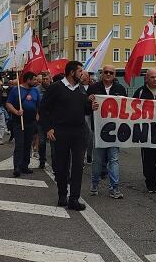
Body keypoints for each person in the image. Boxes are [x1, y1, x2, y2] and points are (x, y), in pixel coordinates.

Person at [41, 61, 97, 211]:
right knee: (61, 165)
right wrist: (48, 128)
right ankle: (62, 195)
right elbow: (43, 108)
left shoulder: (80, 89)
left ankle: (74, 199)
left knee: (78, 165)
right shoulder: (56, 88)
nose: (83, 74)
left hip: (79, 133)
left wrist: (91, 107)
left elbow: (84, 109)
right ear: (72, 72)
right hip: (60, 132)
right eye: (80, 71)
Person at [86, 64, 127, 199]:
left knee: (114, 159)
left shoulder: (120, 89)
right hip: (98, 130)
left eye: (111, 72)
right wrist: (89, 103)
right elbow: (85, 108)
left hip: (115, 131)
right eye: (106, 72)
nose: (108, 74)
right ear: (101, 73)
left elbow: (126, 108)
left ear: (115, 75)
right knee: (97, 160)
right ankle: (94, 184)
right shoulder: (93, 88)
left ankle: (114, 188)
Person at [6, 72, 40, 178]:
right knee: (20, 144)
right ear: (28, 80)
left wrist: (37, 116)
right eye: (34, 79)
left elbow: (38, 104)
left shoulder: (35, 91)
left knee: (27, 144)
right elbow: (8, 104)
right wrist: (16, 112)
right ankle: (17, 167)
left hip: (31, 122)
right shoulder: (16, 90)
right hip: (18, 122)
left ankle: (25, 166)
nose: (36, 82)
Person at [35, 72, 52, 169]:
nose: (45, 81)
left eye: (47, 79)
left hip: (52, 120)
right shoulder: (37, 90)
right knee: (41, 142)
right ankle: (42, 160)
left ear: (50, 79)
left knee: (54, 143)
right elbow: (35, 103)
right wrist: (36, 113)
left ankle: (55, 163)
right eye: (43, 79)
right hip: (41, 120)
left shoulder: (54, 88)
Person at [81, 71, 95, 164]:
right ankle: (82, 156)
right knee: (84, 135)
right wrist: (87, 98)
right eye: (82, 75)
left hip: (91, 113)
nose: (84, 77)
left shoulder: (93, 87)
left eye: (86, 75)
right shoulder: (77, 87)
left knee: (91, 135)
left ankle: (89, 155)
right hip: (82, 114)